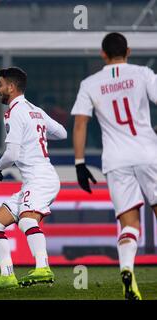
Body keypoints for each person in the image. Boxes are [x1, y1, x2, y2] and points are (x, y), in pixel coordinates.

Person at [71, 32, 157, 300]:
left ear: (103, 54)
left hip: (116, 160)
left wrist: (80, 163)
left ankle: (127, 270)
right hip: (148, 152)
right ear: (128, 51)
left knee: (128, 223)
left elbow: (81, 123)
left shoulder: (90, 83)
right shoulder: (142, 74)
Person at [0, 67, 67, 290]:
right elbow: (62, 133)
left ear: (11, 86)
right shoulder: (35, 110)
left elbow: (12, 155)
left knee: (28, 221)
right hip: (37, 179)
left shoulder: (15, 112)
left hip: (40, 178)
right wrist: (37, 133)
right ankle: (7, 275)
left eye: (0, 85)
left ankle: (43, 267)